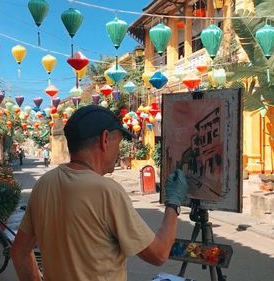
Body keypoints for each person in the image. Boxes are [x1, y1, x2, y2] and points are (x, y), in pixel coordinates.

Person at [10, 105, 188, 281]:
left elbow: (19, 252)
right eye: (118, 142)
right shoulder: (107, 191)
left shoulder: (44, 184)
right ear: (104, 139)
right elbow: (158, 253)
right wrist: (173, 203)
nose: (119, 151)